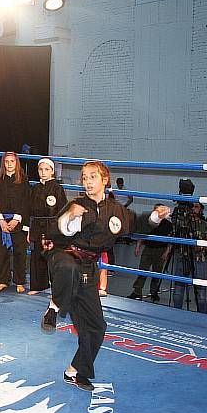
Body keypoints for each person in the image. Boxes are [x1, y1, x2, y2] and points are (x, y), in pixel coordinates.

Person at [39, 161, 170, 391]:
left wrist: (156, 216)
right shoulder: (76, 204)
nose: (87, 182)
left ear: (104, 180)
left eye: (92, 177)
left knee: (97, 327)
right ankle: (54, 306)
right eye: (84, 177)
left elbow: (138, 223)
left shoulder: (116, 211)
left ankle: (75, 371)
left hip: (88, 269)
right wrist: (70, 218)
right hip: (64, 256)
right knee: (69, 268)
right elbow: (56, 230)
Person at [27, 158, 67, 295]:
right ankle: (38, 286)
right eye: (40, 169)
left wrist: (60, 230)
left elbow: (63, 210)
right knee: (37, 256)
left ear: (52, 171)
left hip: (52, 226)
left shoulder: (57, 188)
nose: (43, 172)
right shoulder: (35, 188)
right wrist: (29, 230)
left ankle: (57, 289)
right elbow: (30, 210)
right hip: (37, 225)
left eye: (46, 169)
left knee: (54, 257)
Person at [0, 151, 30, 293]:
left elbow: (26, 201)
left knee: (20, 252)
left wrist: (16, 219)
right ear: (3, 163)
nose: (9, 164)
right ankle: (3, 280)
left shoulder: (23, 180)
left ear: (16, 163)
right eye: (6, 161)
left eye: (12, 161)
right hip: (2, 221)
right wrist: (1, 220)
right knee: (1, 252)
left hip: (18, 220)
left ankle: (19, 281)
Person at [171, 202, 207, 313]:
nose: (193, 209)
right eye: (191, 207)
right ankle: (176, 314)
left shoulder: (205, 225)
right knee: (177, 292)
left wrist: (201, 246)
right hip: (182, 259)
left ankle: (203, 316)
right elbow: (172, 237)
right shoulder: (181, 225)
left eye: (196, 207)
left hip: (198, 260)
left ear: (201, 210)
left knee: (201, 294)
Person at [127, 203, 173, 302]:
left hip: (160, 250)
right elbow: (143, 233)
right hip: (148, 248)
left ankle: (154, 292)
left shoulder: (168, 224)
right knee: (142, 271)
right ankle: (137, 291)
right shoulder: (149, 221)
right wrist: (138, 246)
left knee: (157, 273)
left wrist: (167, 252)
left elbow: (170, 240)